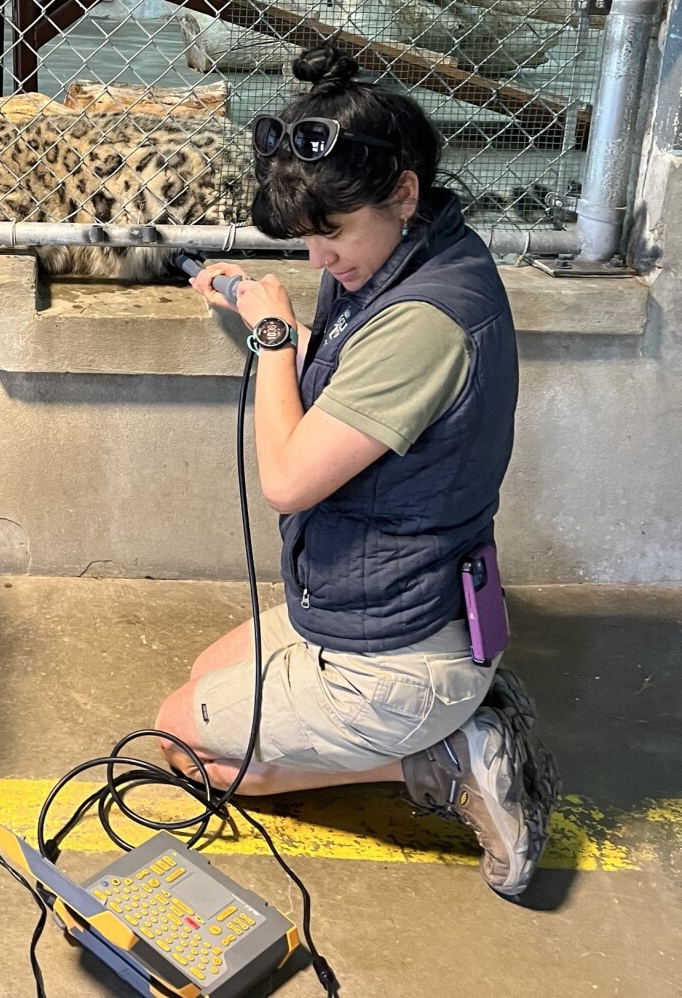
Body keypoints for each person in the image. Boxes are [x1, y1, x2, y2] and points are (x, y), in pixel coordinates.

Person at [154, 46, 559, 899]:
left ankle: (440, 756)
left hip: (399, 649)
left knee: (179, 742)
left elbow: (289, 480)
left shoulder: (423, 321)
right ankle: (453, 721)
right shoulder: (416, 253)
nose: (317, 262)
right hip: (387, 599)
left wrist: (271, 340)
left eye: (329, 236)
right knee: (200, 679)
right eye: (304, 241)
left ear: (403, 191)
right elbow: (340, 390)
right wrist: (257, 307)